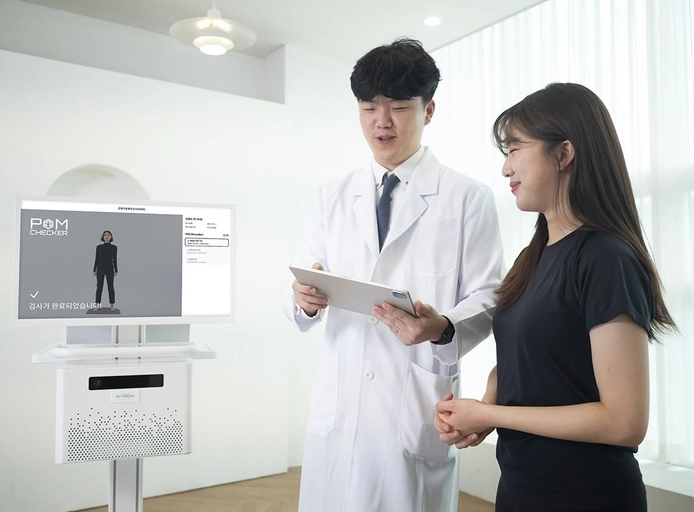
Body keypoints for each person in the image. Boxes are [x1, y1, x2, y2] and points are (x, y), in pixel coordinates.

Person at [434, 83, 678, 512]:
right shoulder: (533, 256)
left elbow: (624, 422)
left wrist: (490, 415)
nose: (505, 169)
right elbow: (525, 359)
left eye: (515, 149)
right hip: (520, 486)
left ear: (564, 154)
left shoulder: (606, 257)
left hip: (586, 495)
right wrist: (485, 405)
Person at [284, 38, 504, 512]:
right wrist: (303, 298)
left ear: (428, 111)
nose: (381, 122)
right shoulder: (330, 196)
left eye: (399, 107)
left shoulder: (468, 198)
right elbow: (302, 282)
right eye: (369, 108)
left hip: (412, 406)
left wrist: (442, 326)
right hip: (340, 405)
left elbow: (490, 296)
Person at [93, 230, 118, 311]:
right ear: (103, 237)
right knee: (99, 286)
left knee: (110, 286)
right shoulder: (99, 247)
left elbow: (115, 259)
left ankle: (112, 304)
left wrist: (116, 270)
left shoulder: (114, 247)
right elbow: (96, 258)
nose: (106, 236)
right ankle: (97, 304)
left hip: (109, 268)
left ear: (111, 237)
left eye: (108, 235)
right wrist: (94, 269)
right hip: (100, 268)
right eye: (105, 235)